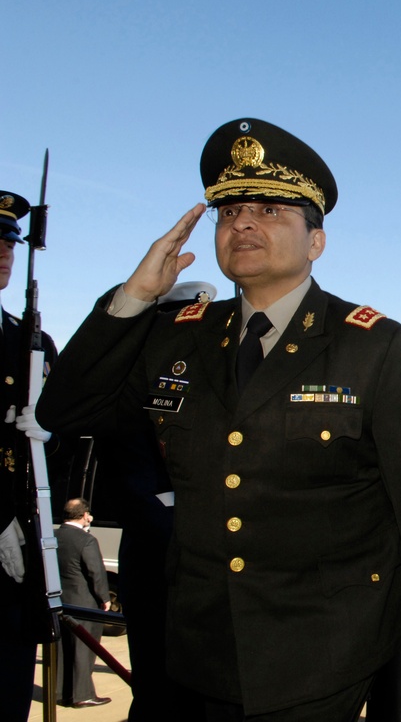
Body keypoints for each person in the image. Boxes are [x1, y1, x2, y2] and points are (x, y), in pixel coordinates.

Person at [35, 118, 401, 720]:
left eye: (271, 210)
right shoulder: (177, 338)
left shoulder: (371, 346)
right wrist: (135, 297)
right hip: (198, 646)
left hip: (324, 647)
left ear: (315, 241)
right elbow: (65, 408)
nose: (243, 222)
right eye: (230, 212)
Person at [91, 282, 215, 722]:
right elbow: (134, 479)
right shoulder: (137, 384)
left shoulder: (211, 385)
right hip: (160, 551)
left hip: (204, 562)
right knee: (162, 689)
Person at [0, 189, 60, 722]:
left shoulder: (31, 340)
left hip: (20, 542)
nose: (3, 254)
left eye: (8, 243)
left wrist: (47, 428)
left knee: (9, 683)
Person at [54, 498, 112, 708]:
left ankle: (62, 692)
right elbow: (96, 573)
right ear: (85, 514)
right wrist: (104, 598)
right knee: (84, 650)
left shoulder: (54, 535)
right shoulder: (86, 540)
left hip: (62, 600)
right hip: (84, 603)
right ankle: (82, 694)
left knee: (63, 648)